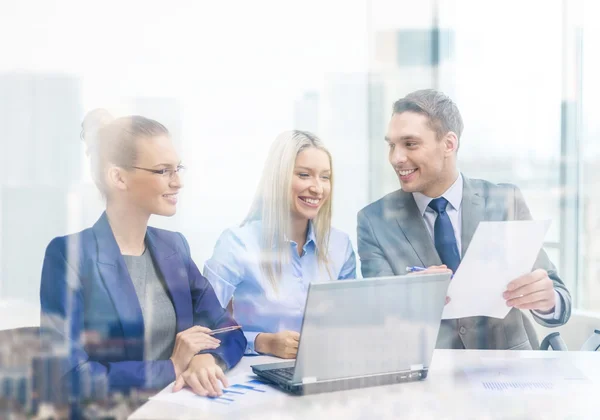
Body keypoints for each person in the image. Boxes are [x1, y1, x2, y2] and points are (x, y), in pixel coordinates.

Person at [40, 111, 245, 398]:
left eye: (178, 168)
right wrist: (172, 366)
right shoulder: (69, 256)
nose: (177, 182)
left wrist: (205, 358)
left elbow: (228, 329)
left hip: (182, 408)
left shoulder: (174, 247)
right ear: (119, 178)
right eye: (163, 171)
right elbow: (68, 375)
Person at [357, 89, 571, 350]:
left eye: (410, 144)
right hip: (428, 376)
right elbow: (377, 317)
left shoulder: (505, 200)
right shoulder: (374, 221)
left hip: (509, 370)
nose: (396, 158)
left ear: (449, 144)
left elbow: (560, 301)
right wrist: (408, 299)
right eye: (391, 145)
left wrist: (547, 300)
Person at [204, 130, 356, 358]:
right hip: (257, 374)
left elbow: (353, 322)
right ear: (278, 179)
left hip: (326, 367)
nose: (317, 188)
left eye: (325, 177)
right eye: (304, 175)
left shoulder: (340, 245)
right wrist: (261, 342)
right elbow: (204, 328)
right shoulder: (237, 243)